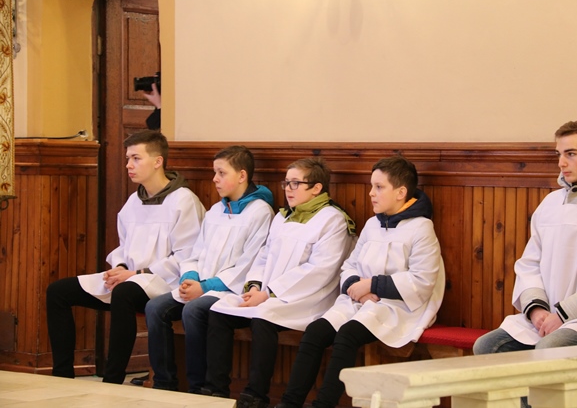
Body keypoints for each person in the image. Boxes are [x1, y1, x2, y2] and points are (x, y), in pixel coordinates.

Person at [473, 121, 577, 406]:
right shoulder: (551, 203)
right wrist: (537, 309)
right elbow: (529, 263)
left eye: (571, 154)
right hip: (548, 316)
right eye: (559, 154)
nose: (562, 163)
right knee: (488, 346)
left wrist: (563, 315)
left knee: (550, 348)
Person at [276, 155, 446, 408]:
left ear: (401, 192)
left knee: (347, 335)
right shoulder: (372, 224)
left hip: (398, 307)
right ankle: (289, 403)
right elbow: (349, 265)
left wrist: (372, 285)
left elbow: (422, 280)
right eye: (371, 186)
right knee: (315, 332)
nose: (371, 193)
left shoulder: (421, 227)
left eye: (379, 187)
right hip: (359, 300)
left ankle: (323, 405)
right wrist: (360, 289)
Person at [46, 130, 205, 384]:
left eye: (136, 158)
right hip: (129, 276)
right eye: (128, 158)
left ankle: (113, 379)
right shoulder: (134, 200)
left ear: (158, 161)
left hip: (164, 282)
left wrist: (136, 274)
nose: (129, 165)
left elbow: (187, 256)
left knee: (123, 293)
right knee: (58, 292)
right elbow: (124, 245)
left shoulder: (183, 201)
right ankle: (62, 375)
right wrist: (119, 266)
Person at [202, 157, 357, 408]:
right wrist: (254, 285)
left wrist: (269, 293)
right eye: (286, 183)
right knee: (219, 312)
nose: (288, 189)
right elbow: (264, 255)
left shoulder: (332, 219)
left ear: (316, 188)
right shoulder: (282, 216)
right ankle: (215, 389)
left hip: (306, 299)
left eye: (295, 183)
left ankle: (256, 394)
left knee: (263, 318)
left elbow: (319, 270)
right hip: (266, 293)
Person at [145, 145, 275, 392]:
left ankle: (199, 387)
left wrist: (204, 287)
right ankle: (164, 382)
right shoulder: (216, 210)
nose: (215, 178)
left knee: (193, 311)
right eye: (215, 172)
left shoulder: (260, 212)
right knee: (155, 308)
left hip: (228, 290)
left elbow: (248, 265)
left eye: (221, 173)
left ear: (242, 175)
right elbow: (196, 252)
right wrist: (189, 277)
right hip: (200, 284)